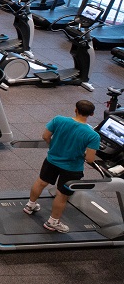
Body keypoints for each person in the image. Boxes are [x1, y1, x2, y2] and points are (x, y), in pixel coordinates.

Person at [23, 100, 101, 233]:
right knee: (62, 194)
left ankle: (30, 205)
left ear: (75, 109)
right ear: (92, 114)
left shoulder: (58, 120)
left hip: (52, 160)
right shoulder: (93, 135)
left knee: (41, 182)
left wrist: (54, 146)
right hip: (72, 168)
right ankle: (52, 222)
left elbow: (45, 136)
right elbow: (90, 159)